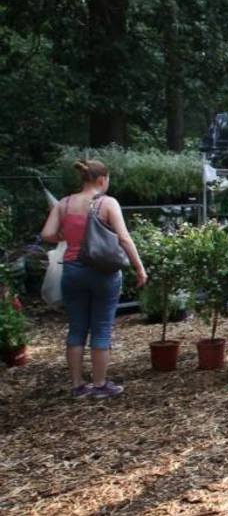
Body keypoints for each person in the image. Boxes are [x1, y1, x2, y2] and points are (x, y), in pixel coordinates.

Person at [39, 160, 147, 399]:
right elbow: (124, 238)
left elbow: (46, 234)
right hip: (103, 272)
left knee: (77, 327)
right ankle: (99, 385)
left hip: (72, 270)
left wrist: (66, 236)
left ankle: (77, 385)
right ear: (101, 180)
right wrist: (139, 268)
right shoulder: (107, 203)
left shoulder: (65, 203)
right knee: (101, 328)